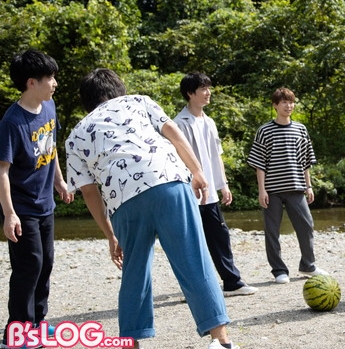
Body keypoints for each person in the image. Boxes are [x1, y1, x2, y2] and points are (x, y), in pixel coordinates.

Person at [65, 68, 238, 349]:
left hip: (123, 200)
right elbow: (173, 133)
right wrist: (197, 170)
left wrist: (110, 235)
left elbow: (88, 191)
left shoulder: (75, 135)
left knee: (135, 271)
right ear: (118, 88)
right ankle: (221, 341)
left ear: (87, 101)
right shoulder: (138, 101)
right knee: (194, 259)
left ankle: (131, 341)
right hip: (167, 181)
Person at [0, 49, 73, 349]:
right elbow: (2, 171)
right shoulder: (11, 122)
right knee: (29, 266)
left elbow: (50, 147)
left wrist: (60, 182)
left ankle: (38, 324)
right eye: (50, 78)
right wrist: (9, 214)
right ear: (31, 82)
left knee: (46, 264)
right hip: (23, 208)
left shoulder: (49, 105)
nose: (55, 83)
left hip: (46, 204)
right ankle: (15, 334)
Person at [174, 72, 257, 297]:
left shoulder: (209, 122)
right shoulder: (178, 124)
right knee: (190, 240)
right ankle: (193, 288)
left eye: (209, 88)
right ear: (190, 93)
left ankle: (232, 283)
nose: (208, 93)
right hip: (189, 192)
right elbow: (178, 158)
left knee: (219, 236)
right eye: (203, 89)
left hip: (209, 192)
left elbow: (216, 155)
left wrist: (224, 185)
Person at [247, 87, 328, 284]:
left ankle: (308, 265)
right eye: (284, 102)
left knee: (306, 225)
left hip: (296, 186)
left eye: (291, 102)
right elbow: (259, 162)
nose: (288, 105)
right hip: (272, 190)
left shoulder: (300, 129)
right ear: (275, 105)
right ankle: (279, 270)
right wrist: (262, 190)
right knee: (272, 231)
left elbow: (305, 160)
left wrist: (309, 186)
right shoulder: (264, 130)